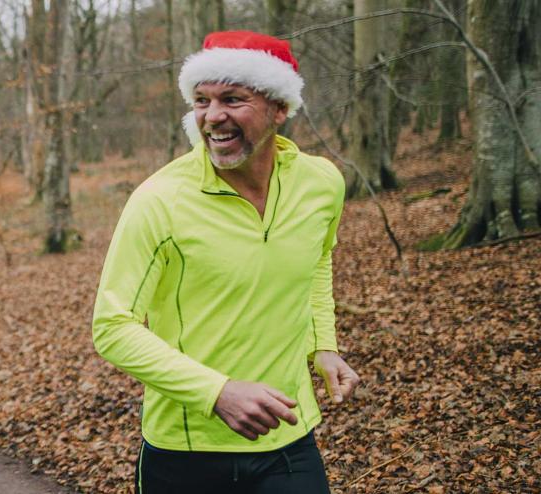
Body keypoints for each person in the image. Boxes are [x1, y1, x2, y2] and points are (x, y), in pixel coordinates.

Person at [90, 31, 360, 493]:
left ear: (280, 108)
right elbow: (112, 327)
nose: (212, 117)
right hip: (186, 450)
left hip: (289, 437)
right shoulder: (160, 200)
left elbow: (317, 261)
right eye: (201, 101)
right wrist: (217, 393)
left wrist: (323, 346)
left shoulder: (322, 183)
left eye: (233, 99)